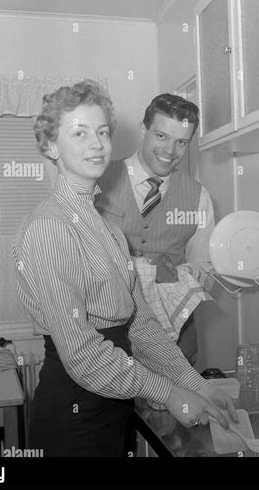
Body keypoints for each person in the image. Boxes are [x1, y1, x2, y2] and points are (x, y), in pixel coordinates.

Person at [12, 80, 237, 457]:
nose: (97, 143)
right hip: (75, 411)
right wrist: (169, 393)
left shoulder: (109, 231)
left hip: (115, 402)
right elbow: (83, 354)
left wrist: (196, 384)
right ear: (51, 146)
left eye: (102, 131)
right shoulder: (50, 227)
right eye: (79, 133)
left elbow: (140, 325)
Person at [95, 94, 214, 366]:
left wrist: (177, 273)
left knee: (178, 407)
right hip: (110, 333)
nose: (170, 151)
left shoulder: (198, 196)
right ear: (143, 130)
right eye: (161, 136)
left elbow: (205, 269)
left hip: (176, 337)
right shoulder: (100, 180)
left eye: (181, 142)